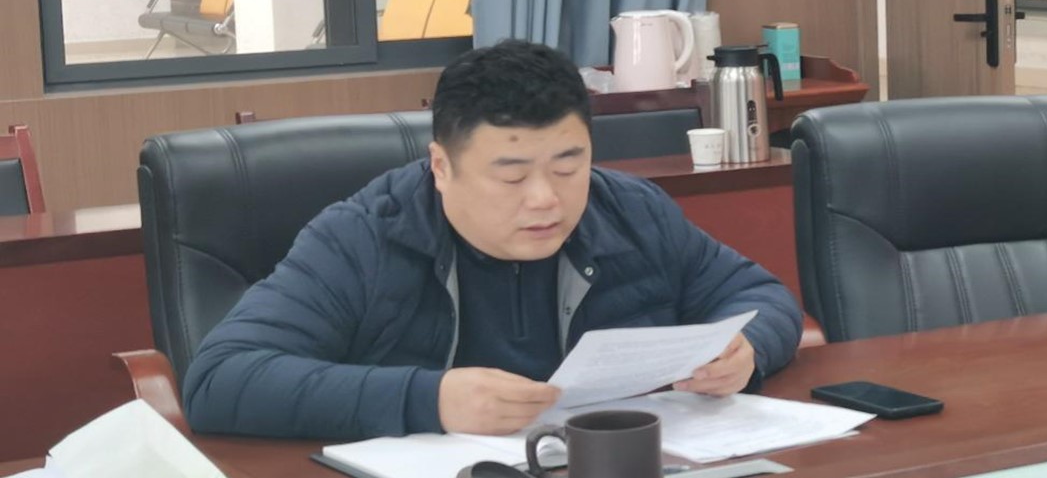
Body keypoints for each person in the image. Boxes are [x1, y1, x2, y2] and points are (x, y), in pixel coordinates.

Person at [183, 40, 803, 440]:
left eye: (568, 167)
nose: (545, 198)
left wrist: (747, 349)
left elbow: (759, 296)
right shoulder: (363, 237)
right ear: (441, 166)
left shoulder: (630, 212)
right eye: (511, 175)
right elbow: (220, 379)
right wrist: (429, 399)